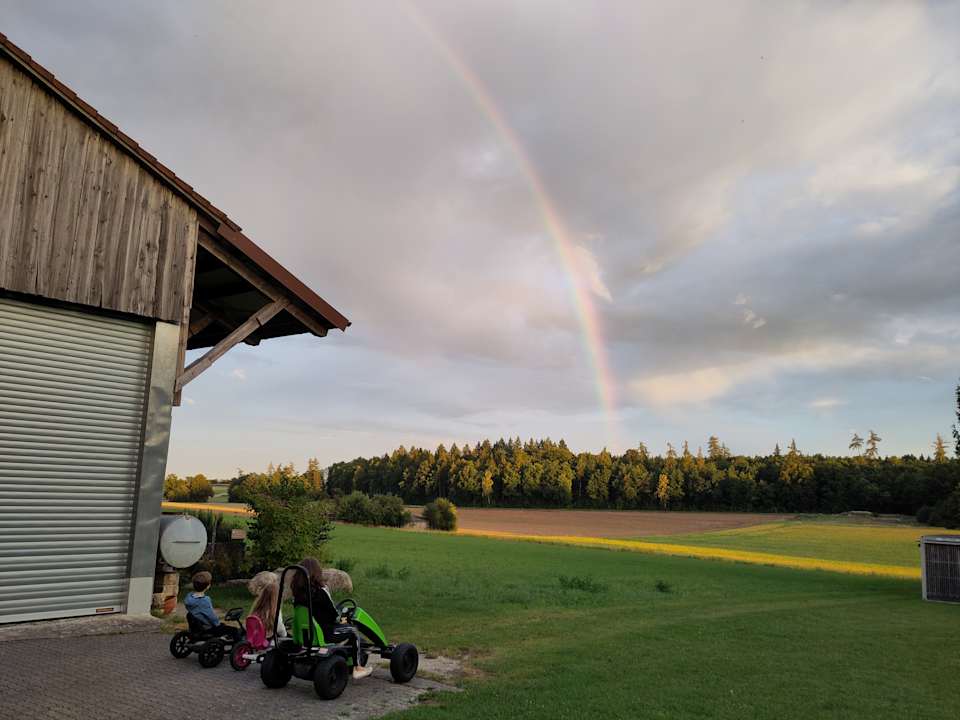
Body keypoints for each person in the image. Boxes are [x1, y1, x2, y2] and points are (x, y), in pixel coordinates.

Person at [291, 557, 373, 679]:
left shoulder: (298, 595)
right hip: (325, 633)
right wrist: (343, 618)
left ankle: (347, 658)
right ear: (317, 573)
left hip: (306, 636)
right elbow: (333, 615)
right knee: (353, 630)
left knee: (345, 628)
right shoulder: (321, 593)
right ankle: (358, 667)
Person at [183, 570, 240, 641]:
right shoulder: (204, 600)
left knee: (224, 626)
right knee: (234, 630)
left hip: (197, 626)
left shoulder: (189, 597)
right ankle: (239, 648)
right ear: (208, 586)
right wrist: (218, 624)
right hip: (208, 628)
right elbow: (211, 616)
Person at [247, 571, 286, 640]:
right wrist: (284, 634)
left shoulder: (256, 607)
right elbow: (280, 629)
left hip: (256, 639)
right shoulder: (275, 611)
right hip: (269, 642)